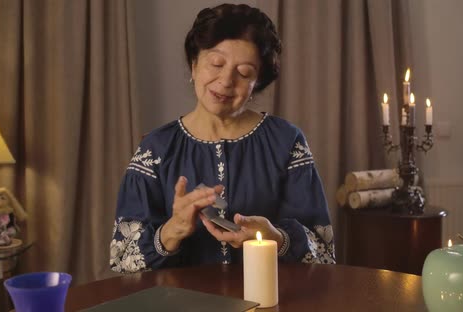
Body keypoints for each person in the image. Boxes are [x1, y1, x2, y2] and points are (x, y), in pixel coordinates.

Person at [110, 3, 335, 274]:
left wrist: (276, 238)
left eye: (244, 73)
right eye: (216, 63)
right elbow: (122, 260)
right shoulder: (155, 148)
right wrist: (173, 230)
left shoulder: (286, 141)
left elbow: (323, 253)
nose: (226, 80)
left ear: (257, 83)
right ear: (193, 65)